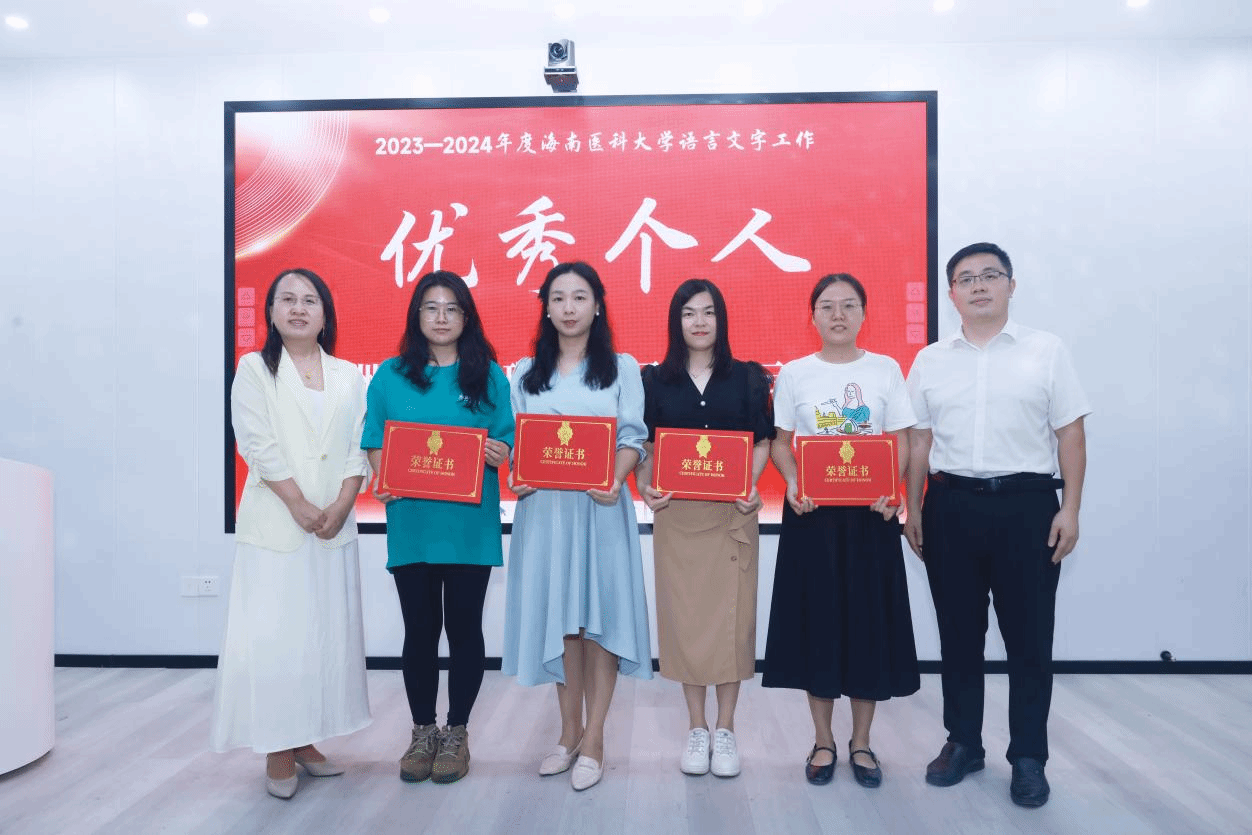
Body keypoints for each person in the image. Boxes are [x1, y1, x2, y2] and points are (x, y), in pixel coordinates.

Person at [903, 242, 1090, 808]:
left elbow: (1070, 433)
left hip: (1027, 508)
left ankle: (1029, 756)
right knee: (959, 636)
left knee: (1029, 639)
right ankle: (964, 742)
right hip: (951, 505)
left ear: (1011, 285)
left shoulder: (1046, 350)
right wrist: (914, 508)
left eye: (990, 275)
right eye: (966, 278)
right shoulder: (931, 360)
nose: (979, 285)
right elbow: (919, 441)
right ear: (952, 294)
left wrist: (1071, 508)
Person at [211, 268, 371, 800]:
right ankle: (277, 746)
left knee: (321, 637)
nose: (299, 308)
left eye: (310, 300)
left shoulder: (348, 375)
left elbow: (360, 443)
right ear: (272, 312)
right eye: (288, 299)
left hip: (333, 524)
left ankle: (304, 739)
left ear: (326, 315)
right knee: (276, 637)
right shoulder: (254, 369)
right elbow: (256, 442)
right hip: (277, 524)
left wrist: (343, 503)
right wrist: (299, 503)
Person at [762, 273, 920, 789]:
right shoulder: (795, 374)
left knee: (868, 629)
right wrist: (792, 482)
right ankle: (824, 740)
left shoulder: (886, 369)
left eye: (849, 305)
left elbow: (899, 439)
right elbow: (781, 442)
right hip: (813, 517)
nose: (838, 314)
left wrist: (890, 486)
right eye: (827, 306)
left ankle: (863, 742)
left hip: (870, 518)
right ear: (812, 316)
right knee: (820, 627)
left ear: (863, 314)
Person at [501, 261, 652, 792]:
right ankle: (567, 734)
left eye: (580, 297)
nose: (569, 307)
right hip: (545, 513)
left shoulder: (622, 367)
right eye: (559, 298)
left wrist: (616, 478)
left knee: (599, 622)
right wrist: (514, 473)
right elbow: (516, 444)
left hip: (601, 508)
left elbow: (632, 437)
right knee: (562, 621)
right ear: (546, 307)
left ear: (597, 306)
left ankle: (595, 739)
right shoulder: (524, 372)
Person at [361, 270, 513, 785]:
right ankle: (423, 731)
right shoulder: (390, 375)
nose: (442, 317)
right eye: (431, 307)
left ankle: (457, 732)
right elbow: (374, 441)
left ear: (466, 317)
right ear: (416, 315)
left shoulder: (488, 376)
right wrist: (383, 475)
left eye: (452, 308)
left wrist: (499, 451)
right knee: (420, 631)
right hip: (413, 523)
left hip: (469, 526)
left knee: (465, 630)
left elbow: (506, 439)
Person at [634, 278, 774, 778]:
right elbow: (645, 446)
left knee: (732, 626)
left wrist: (749, 483)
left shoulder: (749, 377)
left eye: (709, 312)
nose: (699, 321)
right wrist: (645, 484)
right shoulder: (654, 381)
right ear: (676, 321)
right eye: (689, 312)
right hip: (678, 518)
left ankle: (727, 728)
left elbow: (762, 441)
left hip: (732, 517)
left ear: (722, 319)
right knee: (687, 624)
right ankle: (696, 728)